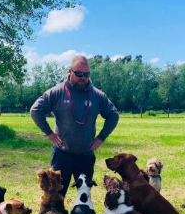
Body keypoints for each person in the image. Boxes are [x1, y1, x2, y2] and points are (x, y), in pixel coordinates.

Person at [31, 55, 119, 197]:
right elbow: (36, 110)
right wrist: (49, 133)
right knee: (55, 195)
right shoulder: (57, 92)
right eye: (79, 74)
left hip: (86, 155)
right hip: (62, 154)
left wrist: (101, 137)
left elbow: (113, 115)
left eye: (86, 74)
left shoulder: (97, 95)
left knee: (84, 195)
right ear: (70, 71)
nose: (83, 78)